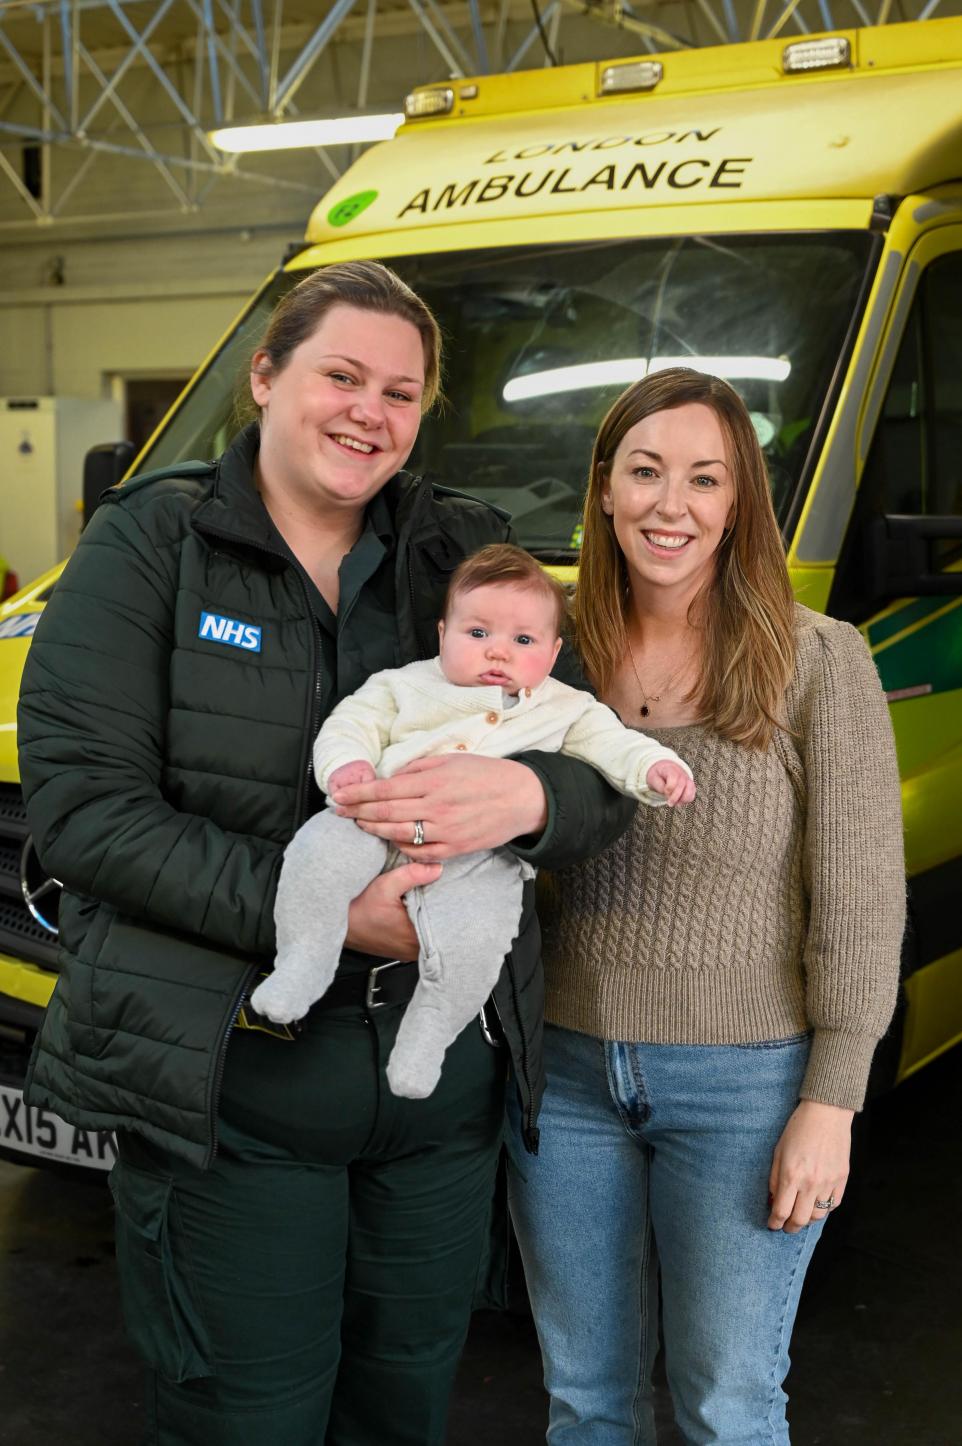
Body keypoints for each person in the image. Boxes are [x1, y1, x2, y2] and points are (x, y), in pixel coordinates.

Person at [16, 260, 636, 1446]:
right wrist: (319, 916)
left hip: (436, 1092)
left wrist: (521, 796)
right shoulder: (152, 544)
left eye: (399, 393)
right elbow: (87, 811)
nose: (368, 412)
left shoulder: (460, 550)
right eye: (339, 375)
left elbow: (596, 768)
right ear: (264, 377)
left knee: (405, 1402)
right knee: (245, 1415)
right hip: (235, 1081)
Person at [507, 367, 906, 1445]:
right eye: (642, 472)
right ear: (601, 489)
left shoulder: (818, 661)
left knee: (726, 1404)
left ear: (738, 503)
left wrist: (833, 1101)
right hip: (564, 1077)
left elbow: (860, 902)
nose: (667, 506)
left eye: (701, 478)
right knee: (582, 1400)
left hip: (746, 1088)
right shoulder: (548, 655)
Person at [251, 543, 695, 1099]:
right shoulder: (404, 684)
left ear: (554, 653)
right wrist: (348, 767)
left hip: (483, 860)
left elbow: (615, 745)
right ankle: (303, 960)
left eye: (523, 640)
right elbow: (351, 724)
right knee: (316, 859)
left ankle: (429, 1034)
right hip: (374, 815)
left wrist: (657, 767)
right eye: (478, 633)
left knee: (478, 941)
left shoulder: (565, 708)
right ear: (442, 635)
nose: (499, 653)